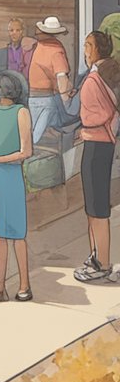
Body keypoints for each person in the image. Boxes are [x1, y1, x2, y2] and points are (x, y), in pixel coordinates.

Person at [0, 72, 34, 301]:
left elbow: (25, 152)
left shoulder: (21, 113)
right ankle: (0, 286)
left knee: (16, 233)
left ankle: (24, 285)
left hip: (9, 178)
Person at [75, 31, 120, 283]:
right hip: (101, 143)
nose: (85, 50)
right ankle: (96, 257)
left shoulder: (94, 79)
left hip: (96, 144)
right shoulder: (109, 74)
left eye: (87, 45)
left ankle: (101, 262)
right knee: (94, 206)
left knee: (97, 207)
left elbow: (92, 115)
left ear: (97, 49)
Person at [28, 16, 74, 143]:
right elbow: (61, 78)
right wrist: (67, 102)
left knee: (31, 133)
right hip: (46, 98)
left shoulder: (38, 47)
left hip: (31, 96)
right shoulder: (56, 50)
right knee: (40, 135)